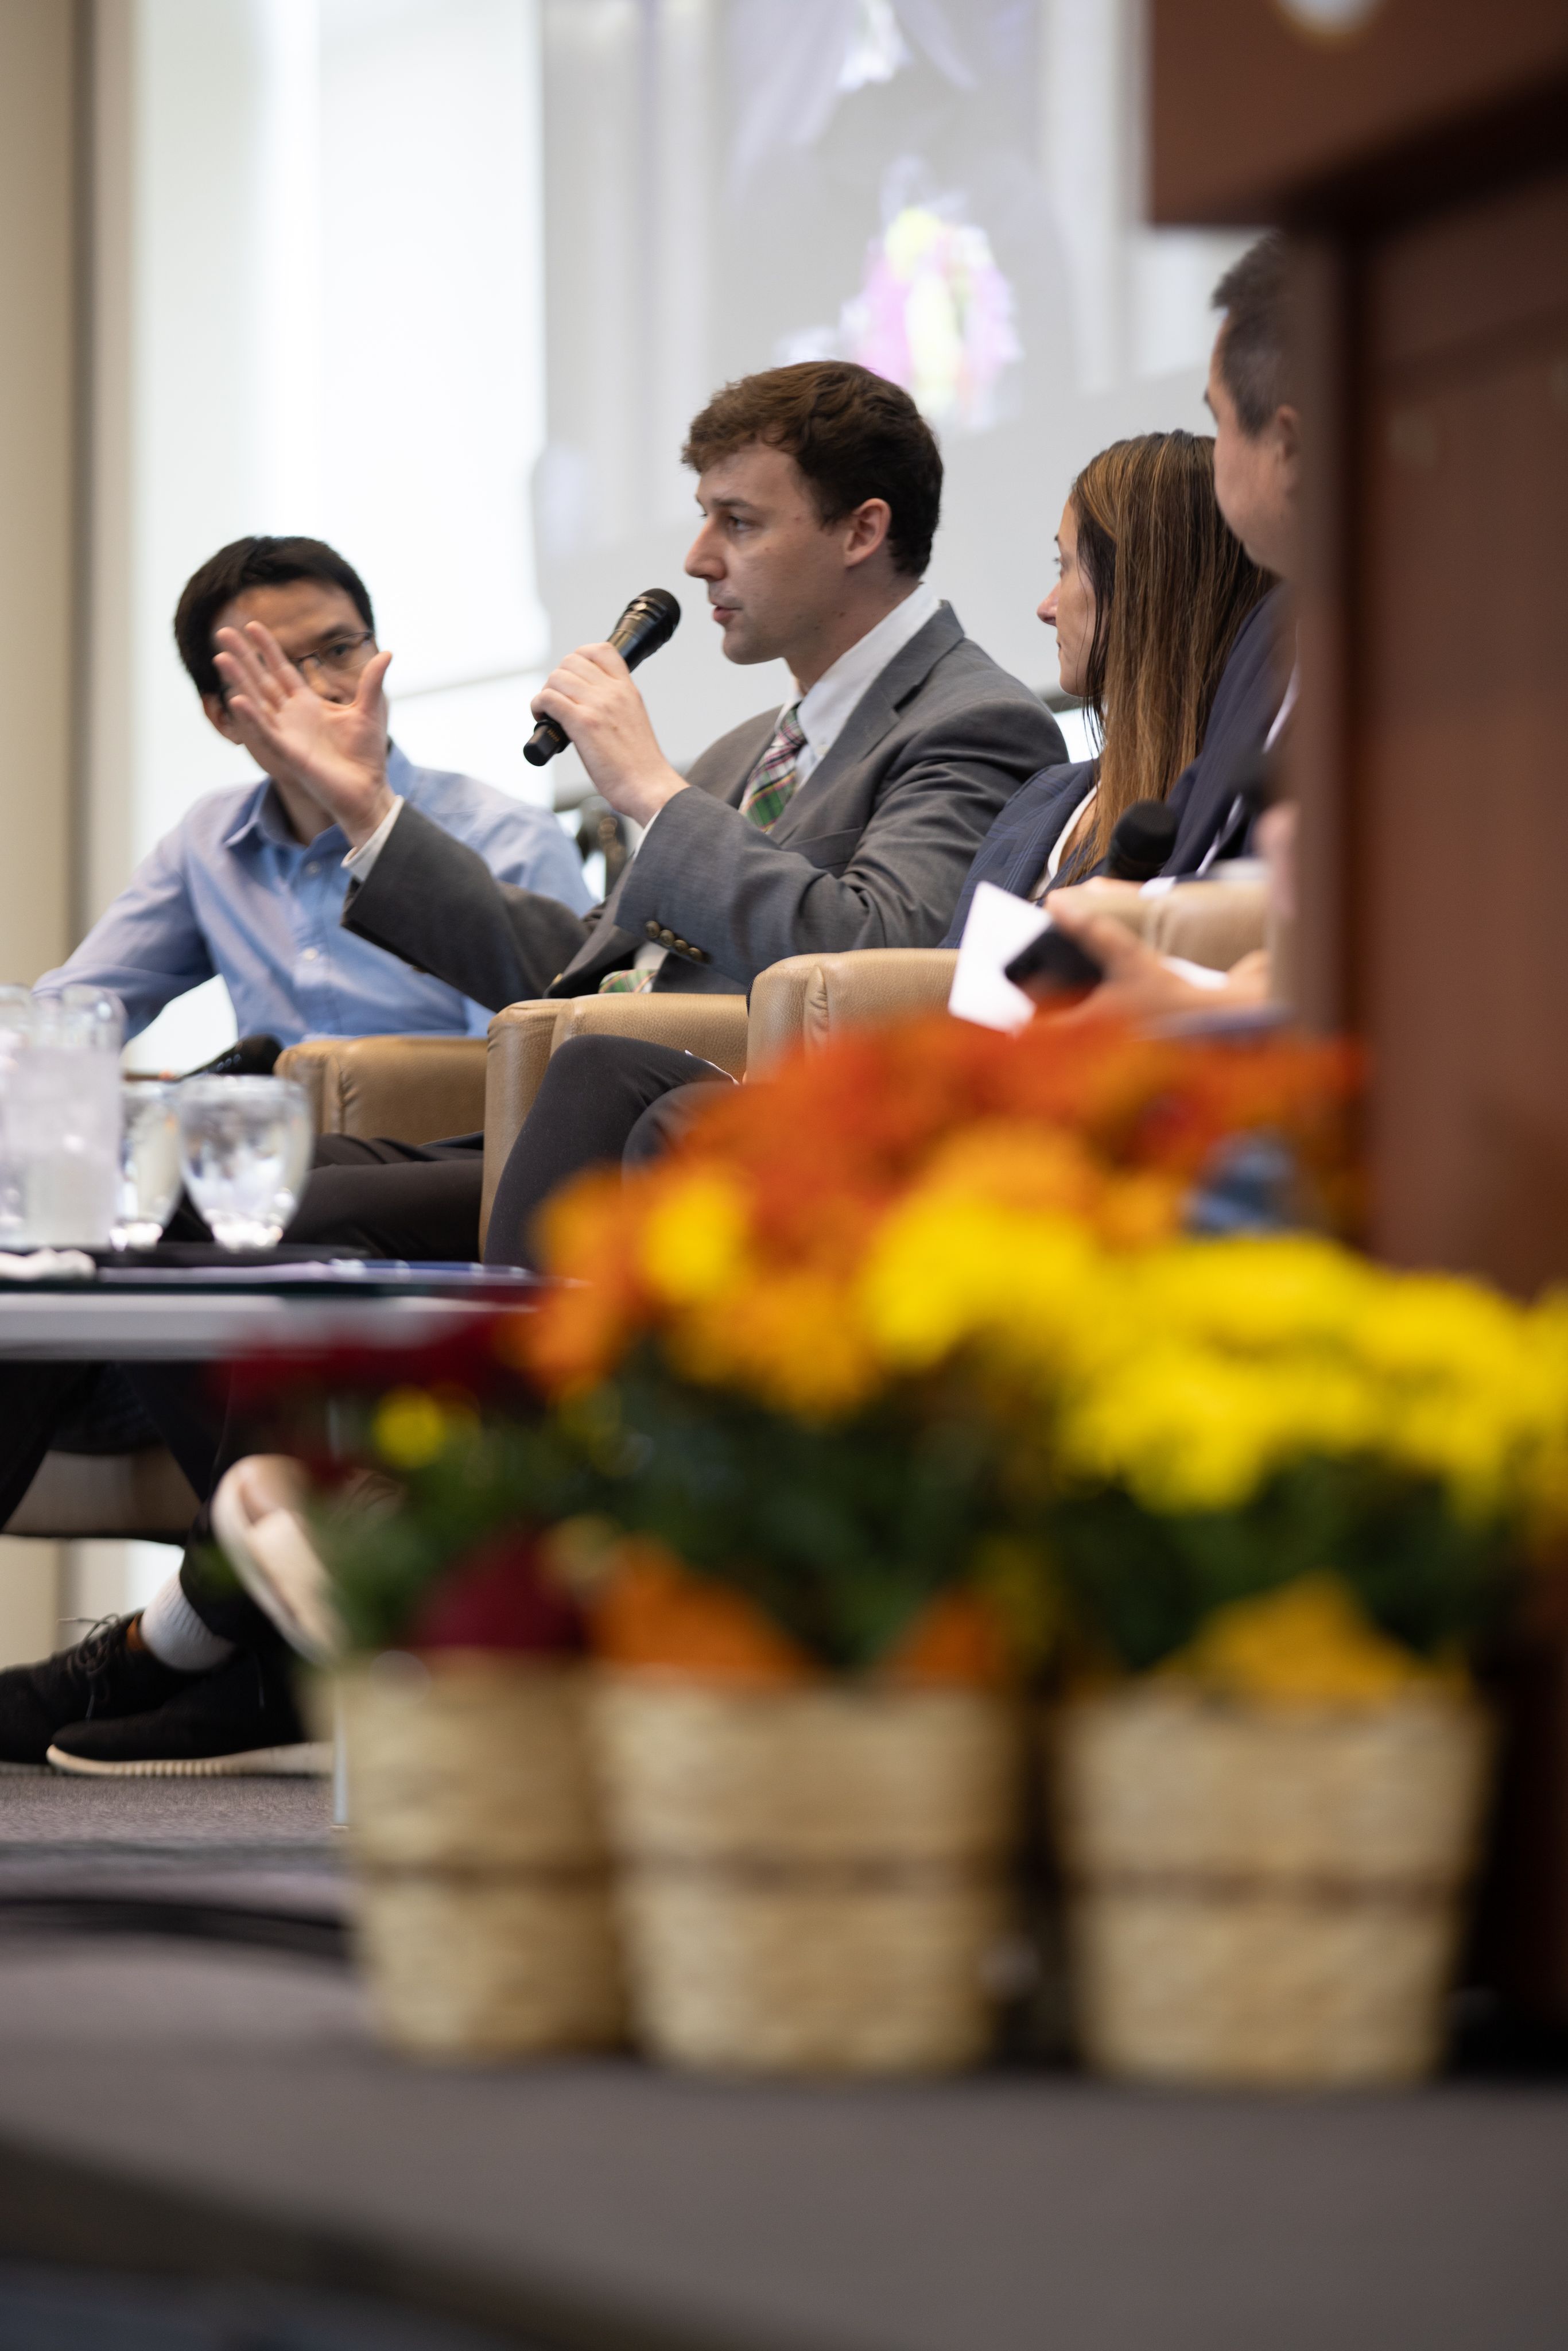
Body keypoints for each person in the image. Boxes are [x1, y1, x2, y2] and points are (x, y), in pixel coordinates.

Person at [0, 363, 1062, 1776]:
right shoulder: (758, 743)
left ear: (862, 529)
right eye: (704, 517)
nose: (699, 559)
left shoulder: (972, 721)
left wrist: (652, 796)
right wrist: (371, 814)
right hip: (569, 1124)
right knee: (204, 1199)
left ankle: (258, 1639)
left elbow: (877, 955)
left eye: (738, 522)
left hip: (706, 1148)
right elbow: (566, 978)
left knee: (584, 1080)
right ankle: (274, 1634)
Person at [479, 427, 1270, 1270]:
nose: (1045, 606)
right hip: (955, 1094)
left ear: (1146, 588)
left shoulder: (988, 727)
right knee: (586, 1082)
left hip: (1038, 1120)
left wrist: (651, 792)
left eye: (1065, 567)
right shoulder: (1050, 799)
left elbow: (886, 957)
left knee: (622, 1086)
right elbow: (948, 984)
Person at [37, 535, 591, 1046]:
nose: (323, 689)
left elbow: (538, 1068)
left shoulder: (510, 836)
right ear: (222, 717)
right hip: (272, 1127)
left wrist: (370, 815)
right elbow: (70, 1016)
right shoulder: (208, 844)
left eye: (341, 650)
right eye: (273, 673)